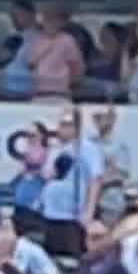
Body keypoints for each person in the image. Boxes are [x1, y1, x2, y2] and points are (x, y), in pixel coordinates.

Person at [40, 109, 103, 259]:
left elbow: (95, 180)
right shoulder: (55, 149)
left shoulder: (87, 148)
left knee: (73, 257)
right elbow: (47, 175)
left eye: (69, 124)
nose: (64, 128)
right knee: (54, 257)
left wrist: (89, 211)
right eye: (62, 124)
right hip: (51, 213)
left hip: (73, 215)